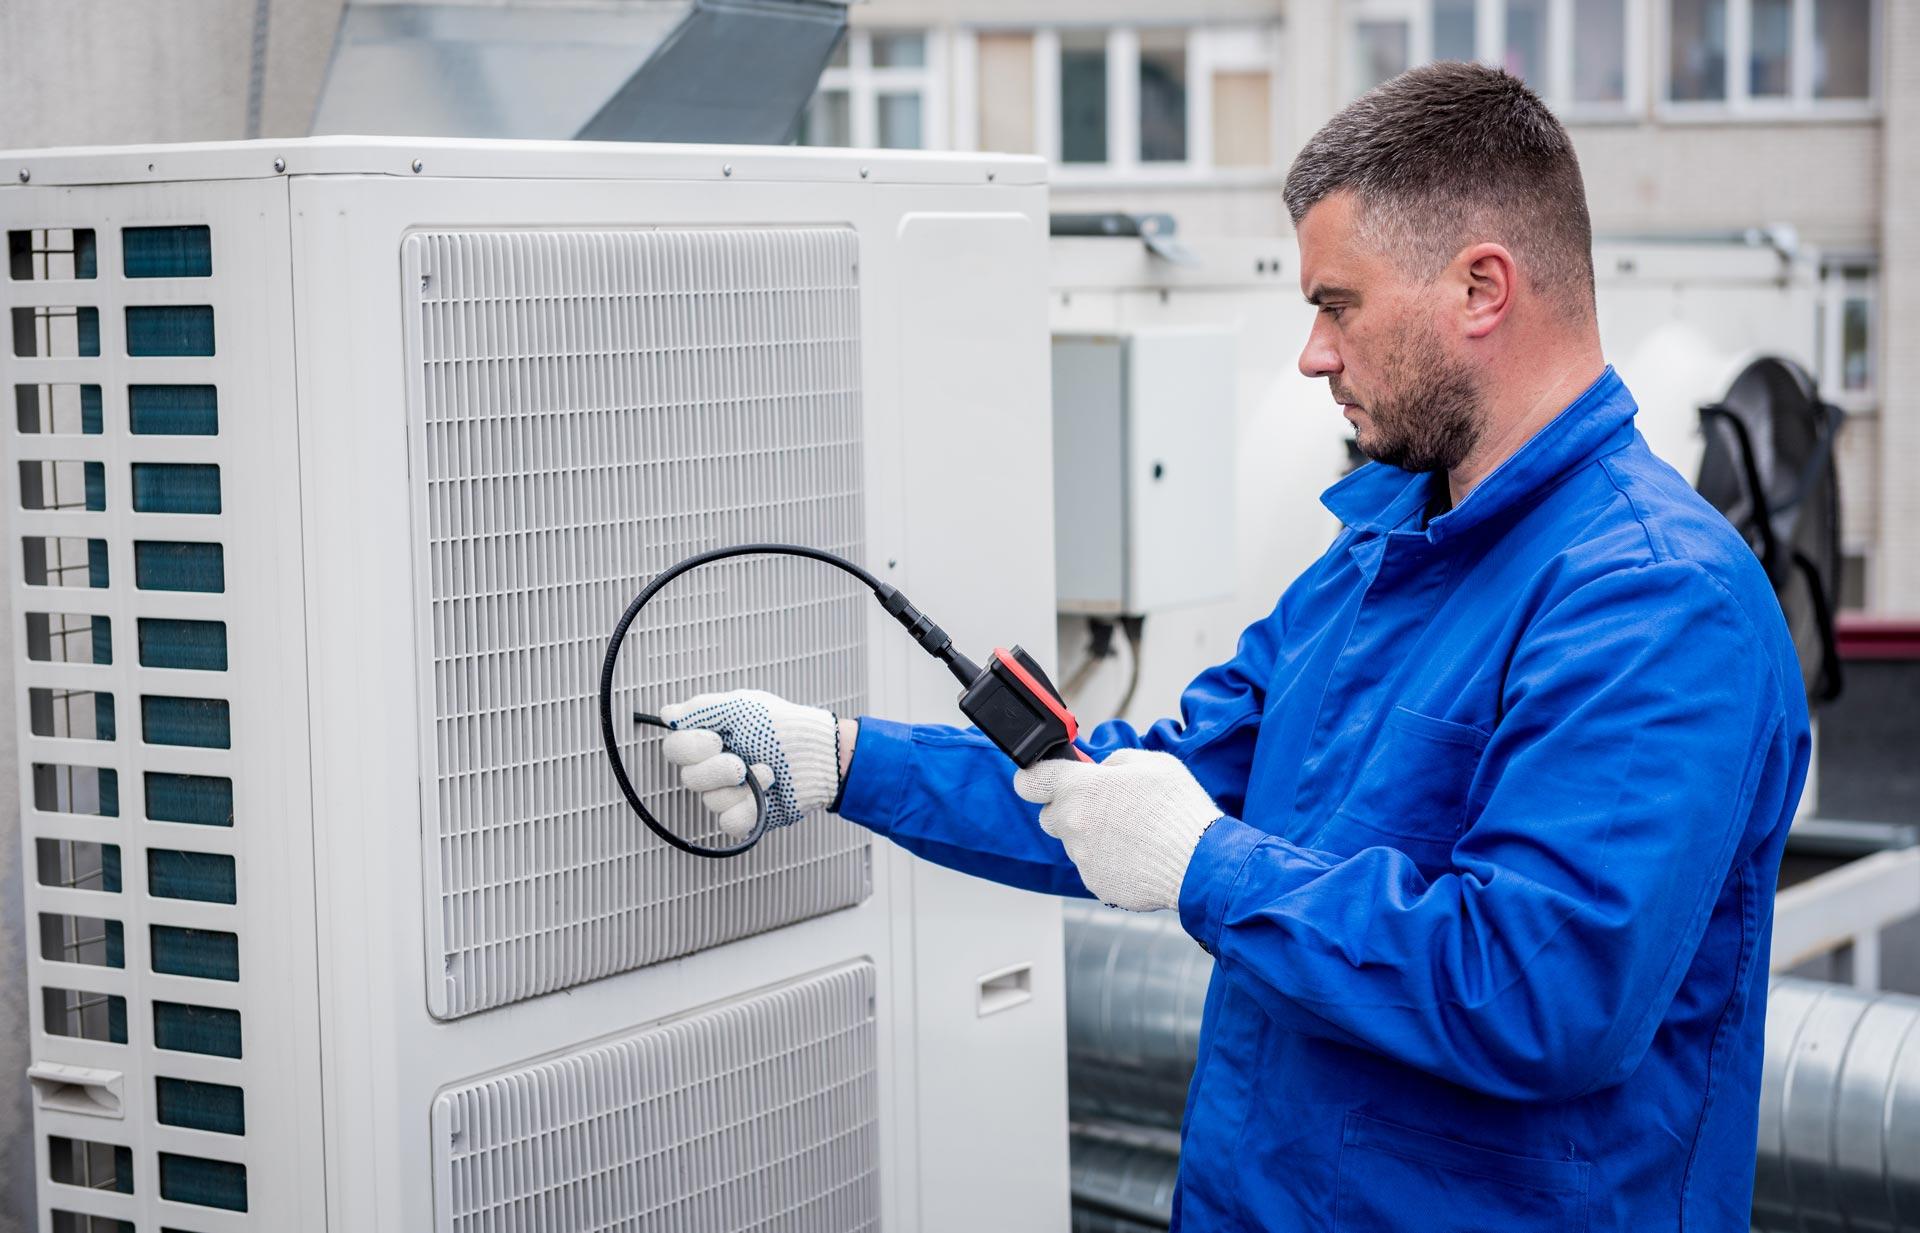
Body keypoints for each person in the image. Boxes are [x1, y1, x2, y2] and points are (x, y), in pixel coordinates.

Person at [658, 62, 1809, 1231]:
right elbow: (1132, 797)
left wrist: (1207, 864)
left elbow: (1539, 991)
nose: (1313, 353)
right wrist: (839, 759)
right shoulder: (1374, 559)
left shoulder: (1655, 603)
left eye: (1337, 304)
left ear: (1481, 287)